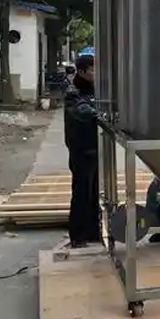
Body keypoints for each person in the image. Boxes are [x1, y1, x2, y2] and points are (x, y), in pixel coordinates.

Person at [63, 54, 102, 247]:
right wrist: (100, 112)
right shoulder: (73, 92)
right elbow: (82, 111)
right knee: (81, 194)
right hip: (82, 151)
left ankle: (93, 232)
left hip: (95, 149)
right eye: (93, 69)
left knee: (94, 194)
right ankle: (78, 236)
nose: (97, 73)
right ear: (82, 71)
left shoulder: (94, 89)